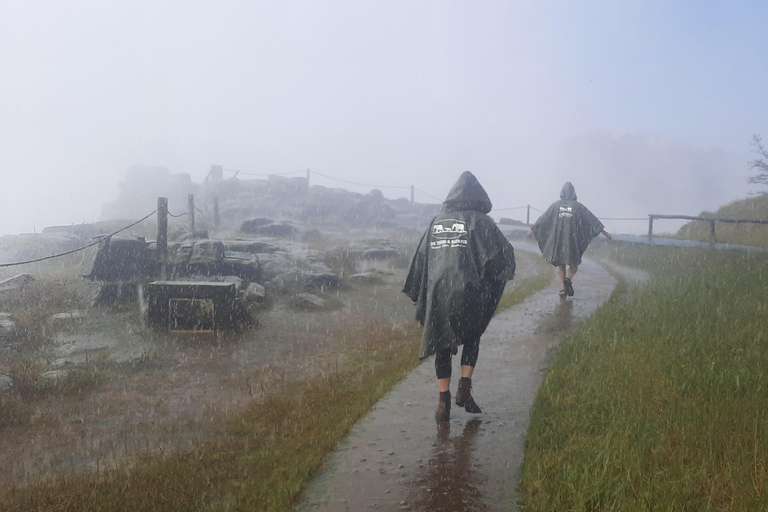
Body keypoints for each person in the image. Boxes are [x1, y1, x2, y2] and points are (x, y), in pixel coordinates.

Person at [403, 171, 516, 422]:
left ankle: (443, 402)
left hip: (438, 292)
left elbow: (422, 257)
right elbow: (504, 255)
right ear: (479, 195)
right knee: (472, 334)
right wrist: (493, 278)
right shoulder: (482, 222)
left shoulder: (438, 221)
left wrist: (415, 291)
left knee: (442, 340)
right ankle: (464, 387)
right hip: (471, 290)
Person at [527, 182, 612, 298]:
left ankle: (562, 288)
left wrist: (533, 229)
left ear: (561, 193)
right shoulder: (578, 206)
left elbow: (544, 218)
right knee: (574, 264)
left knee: (561, 265)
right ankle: (568, 279)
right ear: (574, 193)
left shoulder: (555, 206)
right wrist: (605, 232)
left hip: (559, 240)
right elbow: (591, 219)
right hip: (572, 241)